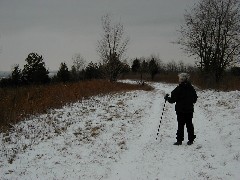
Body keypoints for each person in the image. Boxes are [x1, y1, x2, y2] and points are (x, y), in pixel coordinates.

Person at [164, 73, 198, 145]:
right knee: (189, 124)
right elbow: (195, 99)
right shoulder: (191, 88)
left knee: (181, 125)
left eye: (180, 78)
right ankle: (191, 140)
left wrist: (167, 98)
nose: (179, 80)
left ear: (182, 79)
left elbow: (172, 100)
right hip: (189, 110)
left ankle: (179, 140)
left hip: (180, 110)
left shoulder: (178, 89)